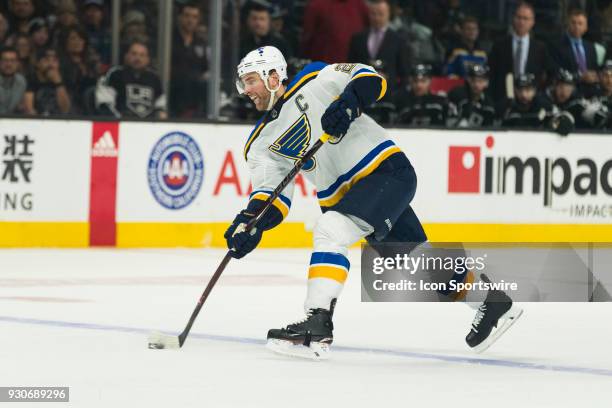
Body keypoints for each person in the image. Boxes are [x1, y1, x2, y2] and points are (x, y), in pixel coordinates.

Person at [228, 45, 521, 359]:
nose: (246, 90)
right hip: (356, 197)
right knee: (416, 260)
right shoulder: (259, 144)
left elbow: (370, 78)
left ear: (274, 76)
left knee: (330, 229)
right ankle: (492, 302)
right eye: (244, 83)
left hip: (385, 173)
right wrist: (249, 223)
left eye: (250, 80)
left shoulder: (315, 77)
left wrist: (349, 103)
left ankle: (318, 321)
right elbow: (273, 197)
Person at [488, 2, 552, 102]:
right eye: (519, 17)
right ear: (513, 19)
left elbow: (549, 74)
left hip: (532, 101)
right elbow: (492, 74)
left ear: (532, 22)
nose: (521, 22)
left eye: (525, 18)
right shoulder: (499, 45)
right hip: (503, 98)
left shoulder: (540, 48)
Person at [347, 0, 411, 95]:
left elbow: (405, 74)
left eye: (381, 14)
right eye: (373, 14)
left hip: (389, 96)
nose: (376, 18)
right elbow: (350, 68)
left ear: (389, 14)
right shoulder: (357, 39)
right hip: (361, 95)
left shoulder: (399, 41)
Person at [95, 40, 167, 119]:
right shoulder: (115, 74)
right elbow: (105, 104)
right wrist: (123, 121)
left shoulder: (154, 78)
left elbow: (160, 107)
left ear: (147, 59)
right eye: (134, 54)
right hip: (121, 124)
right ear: (126, 56)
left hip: (148, 126)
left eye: (142, 55)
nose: (138, 58)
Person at [552, 8, 604, 97]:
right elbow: (556, 71)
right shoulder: (557, 46)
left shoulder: (591, 47)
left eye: (580, 23)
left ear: (586, 27)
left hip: (591, 90)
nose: (576, 26)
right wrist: (580, 77)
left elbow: (595, 70)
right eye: (573, 23)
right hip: (568, 89)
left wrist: (595, 76)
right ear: (568, 24)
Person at [170, 2, 208, 117]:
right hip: (173, 94)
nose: (190, 20)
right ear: (180, 17)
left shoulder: (201, 43)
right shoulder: (169, 39)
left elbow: (205, 69)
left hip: (194, 99)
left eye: (194, 17)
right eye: (187, 16)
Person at [301, 0, 369, 63]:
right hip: (326, 67)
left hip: (354, 68)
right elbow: (307, 37)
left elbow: (369, 34)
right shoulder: (316, 5)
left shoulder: (360, 5)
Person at [23, 47, 71, 115]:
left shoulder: (64, 80)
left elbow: (65, 109)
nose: (51, 64)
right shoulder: (30, 80)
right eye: (47, 60)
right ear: (37, 63)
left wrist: (58, 83)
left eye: (54, 60)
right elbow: (28, 109)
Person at [448, 63, 496, 127]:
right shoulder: (457, 95)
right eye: (473, 80)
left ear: (487, 83)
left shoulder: (488, 105)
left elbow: (489, 129)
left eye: (480, 81)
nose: (476, 85)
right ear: (468, 80)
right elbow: (449, 124)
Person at [0, 46, 26, 114]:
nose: (9, 64)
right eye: (5, 60)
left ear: (18, 63)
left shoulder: (21, 82)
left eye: (12, 61)